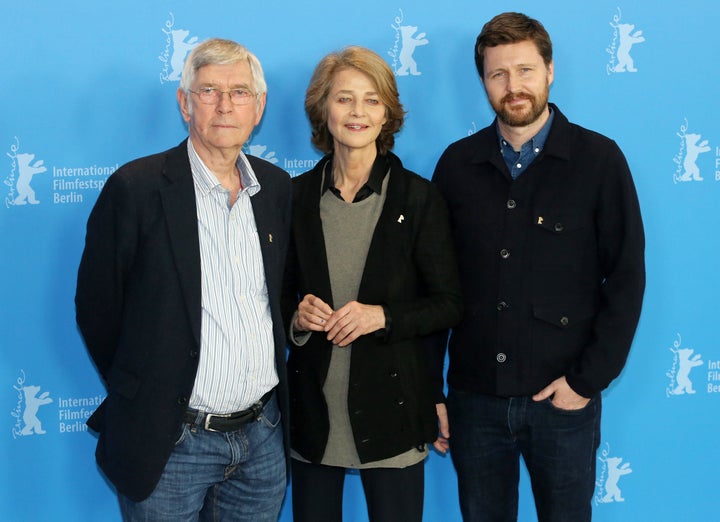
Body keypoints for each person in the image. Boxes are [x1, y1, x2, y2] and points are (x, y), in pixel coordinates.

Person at [432, 12, 645, 522]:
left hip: (563, 401)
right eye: (498, 74)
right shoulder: (456, 166)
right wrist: (431, 393)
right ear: (483, 81)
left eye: (525, 70)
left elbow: (627, 276)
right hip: (474, 401)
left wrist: (586, 382)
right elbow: (433, 287)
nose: (513, 87)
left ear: (550, 71)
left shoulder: (599, 160)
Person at [75, 38, 291, 521]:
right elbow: (98, 310)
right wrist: (148, 388)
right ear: (184, 102)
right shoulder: (136, 188)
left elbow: (275, 298)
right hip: (172, 442)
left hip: (262, 437)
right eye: (209, 90)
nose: (224, 104)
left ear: (258, 107)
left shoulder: (275, 189)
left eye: (239, 92)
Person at [282, 46, 463, 522]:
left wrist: (381, 315)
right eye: (344, 99)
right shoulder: (293, 198)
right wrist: (296, 318)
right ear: (323, 108)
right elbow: (274, 300)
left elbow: (448, 304)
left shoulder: (420, 198)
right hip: (314, 418)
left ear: (388, 113)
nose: (357, 112)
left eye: (372, 100)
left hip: (396, 412)